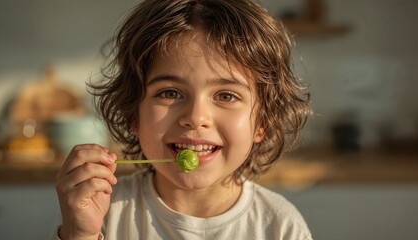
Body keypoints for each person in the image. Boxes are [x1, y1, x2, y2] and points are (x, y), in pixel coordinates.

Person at [53, 0, 312, 239]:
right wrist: (80, 235)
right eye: (170, 93)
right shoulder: (104, 211)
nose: (195, 118)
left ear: (262, 122)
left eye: (226, 95)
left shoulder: (280, 226)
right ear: (134, 114)